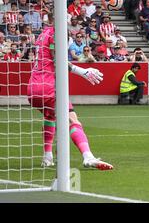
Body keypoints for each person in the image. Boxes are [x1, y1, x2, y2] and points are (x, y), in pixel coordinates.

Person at [27, 13, 113, 170]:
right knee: (73, 120)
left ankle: (47, 157)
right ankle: (88, 156)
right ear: (58, 18)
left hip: (33, 87)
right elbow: (57, 59)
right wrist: (83, 72)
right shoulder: (55, 32)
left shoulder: (42, 34)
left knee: (50, 116)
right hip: (49, 86)